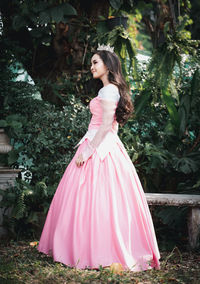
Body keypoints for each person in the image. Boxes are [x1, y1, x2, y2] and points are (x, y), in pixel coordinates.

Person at [38, 44, 160, 272]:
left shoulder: (108, 90)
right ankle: (86, 247)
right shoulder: (110, 90)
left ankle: (93, 250)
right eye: (92, 62)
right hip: (104, 143)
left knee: (98, 200)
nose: (91, 66)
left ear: (107, 65)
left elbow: (105, 126)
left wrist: (88, 151)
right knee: (93, 200)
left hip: (100, 147)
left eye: (95, 62)